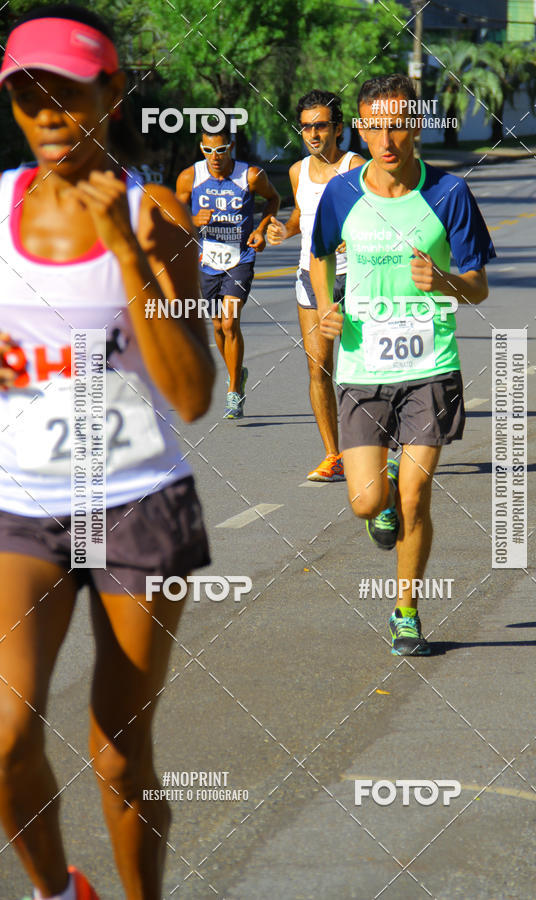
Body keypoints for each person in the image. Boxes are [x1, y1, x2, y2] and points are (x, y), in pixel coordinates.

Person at [0, 5, 215, 899]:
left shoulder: (156, 215)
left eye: (67, 93)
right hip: (23, 506)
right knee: (4, 737)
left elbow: (193, 394)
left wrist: (127, 253)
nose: (48, 114)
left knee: (120, 753)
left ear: (111, 93)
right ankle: (59, 893)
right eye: (28, 96)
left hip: (138, 503)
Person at [311, 73, 495, 655]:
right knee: (367, 502)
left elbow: (478, 286)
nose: (387, 140)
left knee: (415, 497)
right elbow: (319, 255)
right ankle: (382, 492)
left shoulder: (448, 194)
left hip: (430, 365)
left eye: (397, 126)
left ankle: (406, 612)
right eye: (375, 127)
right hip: (363, 367)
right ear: (360, 130)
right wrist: (326, 308)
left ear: (415, 125)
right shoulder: (341, 194)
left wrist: (444, 282)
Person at [267, 91, 364, 481]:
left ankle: (377, 447)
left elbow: (377, 212)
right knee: (318, 366)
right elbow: (301, 215)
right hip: (311, 277)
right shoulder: (297, 171)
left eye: (320, 125)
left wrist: (352, 236)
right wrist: (284, 230)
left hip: (356, 277)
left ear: (338, 129)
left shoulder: (356, 167)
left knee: (366, 368)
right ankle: (333, 455)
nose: (312, 134)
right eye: (306, 127)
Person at [176, 125, 280, 418]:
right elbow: (172, 213)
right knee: (218, 326)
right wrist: (192, 219)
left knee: (230, 321)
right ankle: (238, 372)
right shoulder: (190, 177)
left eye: (221, 150)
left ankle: (234, 390)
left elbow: (273, 199)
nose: (215, 156)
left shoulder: (251, 176)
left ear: (230, 147)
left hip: (240, 258)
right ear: (201, 148)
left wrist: (261, 229)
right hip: (207, 260)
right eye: (208, 150)